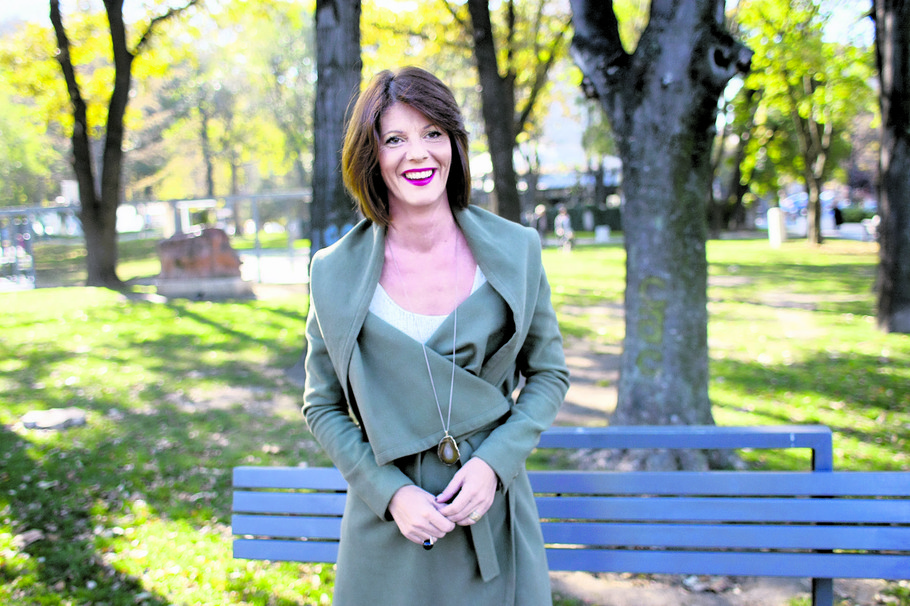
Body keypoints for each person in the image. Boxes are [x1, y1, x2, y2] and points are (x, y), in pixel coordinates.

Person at [302, 66, 570, 606]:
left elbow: (548, 374)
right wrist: (389, 494)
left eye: (433, 133)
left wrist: (494, 464)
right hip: (390, 528)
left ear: (455, 144)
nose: (418, 154)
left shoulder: (516, 250)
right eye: (394, 139)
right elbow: (322, 405)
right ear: (370, 156)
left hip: (489, 511)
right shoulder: (334, 272)